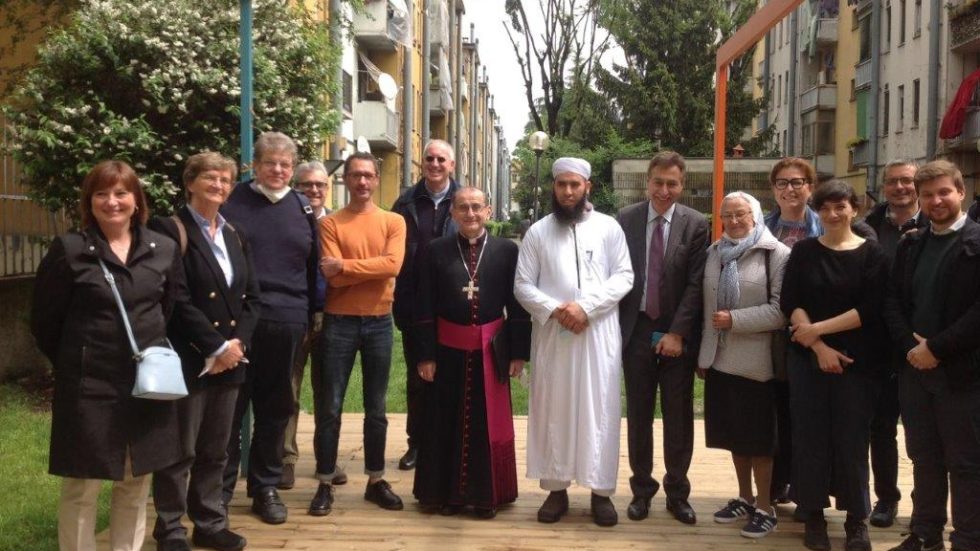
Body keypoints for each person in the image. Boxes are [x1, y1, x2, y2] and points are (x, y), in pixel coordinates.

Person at [32, 160, 184, 551]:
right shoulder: (70, 250)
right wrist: (79, 360)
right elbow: (45, 322)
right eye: (101, 193)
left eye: (121, 193)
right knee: (82, 486)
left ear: (137, 200)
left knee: (134, 484)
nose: (112, 201)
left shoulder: (162, 249)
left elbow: (166, 310)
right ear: (89, 201)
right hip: (89, 386)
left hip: (144, 386)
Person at [148, 152, 260, 551]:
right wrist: (213, 345)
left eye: (226, 180)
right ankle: (171, 528)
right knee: (181, 449)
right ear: (190, 182)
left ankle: (210, 522)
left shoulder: (235, 234)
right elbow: (174, 297)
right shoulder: (169, 229)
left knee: (217, 448)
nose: (219, 185)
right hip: (190, 357)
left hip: (231, 360)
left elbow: (252, 297)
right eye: (211, 178)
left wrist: (236, 345)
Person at [514, 157, 634, 527]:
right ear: (554, 187)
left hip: (598, 336)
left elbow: (624, 276)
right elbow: (522, 285)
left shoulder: (609, 228)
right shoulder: (538, 232)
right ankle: (556, 490)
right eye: (562, 184)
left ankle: (601, 493)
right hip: (554, 338)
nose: (568, 191)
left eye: (575, 185)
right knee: (554, 409)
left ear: (587, 187)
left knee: (599, 409)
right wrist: (557, 310)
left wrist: (585, 308)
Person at [779, 180, 887, 551]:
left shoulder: (873, 254)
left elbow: (870, 310)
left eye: (839, 206)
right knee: (809, 438)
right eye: (824, 208)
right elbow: (790, 300)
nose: (831, 214)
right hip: (808, 360)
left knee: (852, 440)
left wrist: (816, 331)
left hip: (858, 363)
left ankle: (857, 519)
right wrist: (819, 347)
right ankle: (812, 515)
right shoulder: (805, 251)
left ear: (854, 209)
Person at [411, 187, 532, 519]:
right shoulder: (436, 250)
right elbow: (423, 305)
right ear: (452, 212)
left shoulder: (507, 251)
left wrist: (518, 352)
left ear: (488, 211)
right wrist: (425, 355)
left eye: (476, 207)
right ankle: (445, 495)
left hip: (491, 351)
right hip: (447, 351)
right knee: (443, 423)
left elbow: (517, 304)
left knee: (485, 426)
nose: (470, 213)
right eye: (463, 207)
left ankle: (485, 496)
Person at [220, 132, 319, 524]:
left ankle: (265, 487)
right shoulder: (231, 202)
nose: (277, 170)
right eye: (269, 163)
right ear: (254, 165)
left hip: (287, 320)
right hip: (237, 323)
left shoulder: (303, 208)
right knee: (229, 407)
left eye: (284, 164)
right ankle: (220, 489)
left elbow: (312, 269)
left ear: (292, 170)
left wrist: (311, 315)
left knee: (276, 406)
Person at [883, 160, 980, 551]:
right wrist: (911, 346)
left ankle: (969, 539)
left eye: (944, 192)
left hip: (963, 373)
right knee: (923, 457)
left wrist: (935, 348)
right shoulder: (911, 244)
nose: (936, 200)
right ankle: (925, 534)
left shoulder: (976, 243)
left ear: (961, 192)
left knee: (966, 463)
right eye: (928, 195)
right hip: (915, 372)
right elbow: (892, 301)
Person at [308, 152, 407, 516]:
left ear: (376, 179)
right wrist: (369, 270)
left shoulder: (393, 221)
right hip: (339, 323)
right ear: (346, 180)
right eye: (355, 176)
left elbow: (392, 265)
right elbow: (330, 276)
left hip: (380, 321)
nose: (362, 182)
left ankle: (376, 479)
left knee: (376, 408)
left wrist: (347, 267)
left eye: (368, 176)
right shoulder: (330, 224)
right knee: (330, 407)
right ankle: (323, 481)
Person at [616, 151, 708, 525]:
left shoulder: (696, 224)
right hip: (635, 331)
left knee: (677, 415)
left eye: (672, 184)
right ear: (647, 181)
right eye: (658, 182)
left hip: (676, 335)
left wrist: (677, 333)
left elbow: (696, 283)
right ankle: (641, 490)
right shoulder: (626, 219)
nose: (664, 190)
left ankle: (677, 492)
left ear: (682, 185)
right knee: (638, 415)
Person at [697, 192, 790, 539]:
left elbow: (781, 311)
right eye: (727, 216)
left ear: (755, 216)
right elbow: (705, 307)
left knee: (760, 441)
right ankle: (745, 497)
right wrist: (703, 353)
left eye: (741, 215)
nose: (733, 222)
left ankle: (766, 508)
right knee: (735, 437)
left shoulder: (776, 254)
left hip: (756, 364)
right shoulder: (714, 253)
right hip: (719, 360)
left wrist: (734, 319)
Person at [860, 159, 927, 529]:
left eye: (907, 181)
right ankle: (886, 499)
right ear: (883, 187)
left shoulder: (934, 224)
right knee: (881, 429)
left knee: (923, 435)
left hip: (926, 347)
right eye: (893, 182)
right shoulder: (868, 227)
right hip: (880, 347)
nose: (900, 188)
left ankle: (926, 505)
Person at [392, 139, 460, 471]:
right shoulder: (404, 203)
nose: (434, 164)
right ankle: (416, 444)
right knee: (419, 378)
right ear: (422, 164)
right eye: (429, 159)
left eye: (441, 159)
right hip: (414, 304)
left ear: (452, 165)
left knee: (454, 379)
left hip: (454, 305)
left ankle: (448, 445)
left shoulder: (465, 201)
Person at [279, 160, 345, 490]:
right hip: (293, 317)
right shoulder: (286, 223)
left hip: (331, 315)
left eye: (320, 185)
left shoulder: (336, 223)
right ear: (296, 187)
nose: (314, 191)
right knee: (288, 389)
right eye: (307, 185)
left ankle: (326, 459)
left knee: (328, 392)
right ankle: (286, 458)